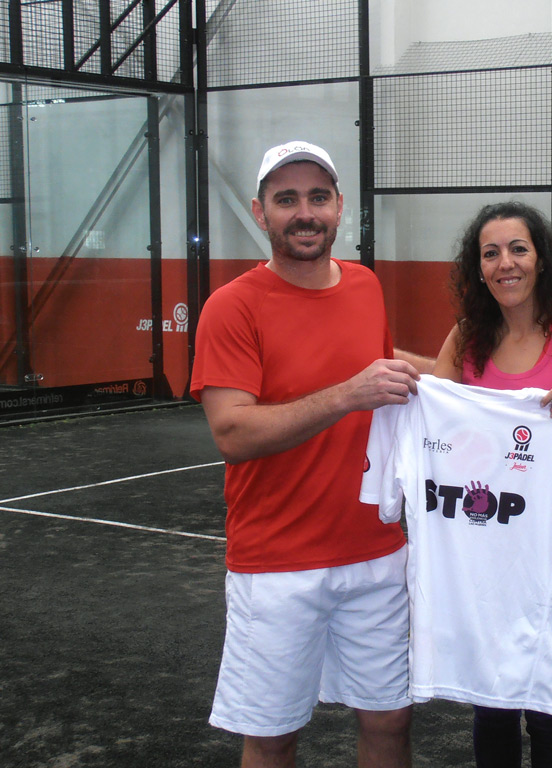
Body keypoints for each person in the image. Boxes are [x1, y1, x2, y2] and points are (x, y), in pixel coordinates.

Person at [189, 140, 427, 768]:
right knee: (272, 738)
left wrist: (491, 385)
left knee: (391, 722)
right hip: (276, 564)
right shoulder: (231, 307)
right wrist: (348, 395)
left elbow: (384, 367)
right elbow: (232, 432)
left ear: (340, 207)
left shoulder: (365, 285)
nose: (305, 213)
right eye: (286, 199)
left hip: (377, 553)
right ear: (259, 211)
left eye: (318, 198)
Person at [432, 201, 552, 768]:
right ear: (478, 267)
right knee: (490, 705)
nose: (504, 263)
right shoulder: (464, 340)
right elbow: (434, 426)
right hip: (481, 549)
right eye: (490, 253)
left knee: (551, 706)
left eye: (518, 249)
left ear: (542, 259)